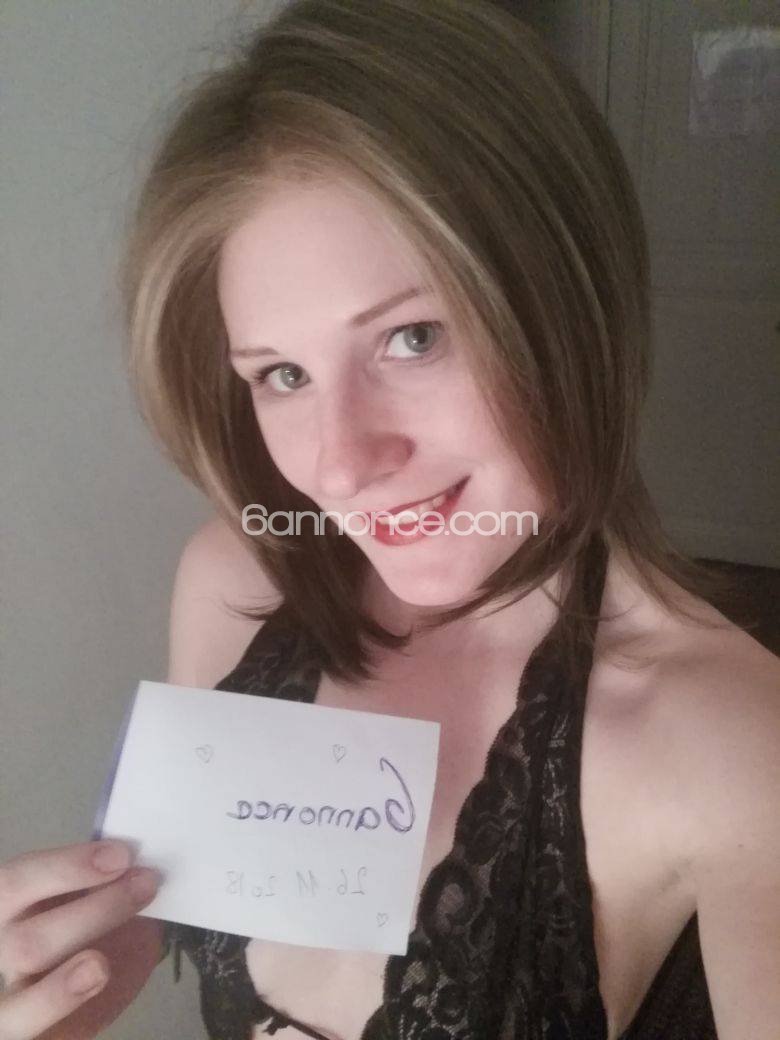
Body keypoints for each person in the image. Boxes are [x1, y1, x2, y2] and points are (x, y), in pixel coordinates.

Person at [1, 0, 778, 1037]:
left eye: (412, 337)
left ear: (569, 302)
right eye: (281, 374)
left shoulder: (733, 741)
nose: (338, 464)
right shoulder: (234, 585)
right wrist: (79, 980)